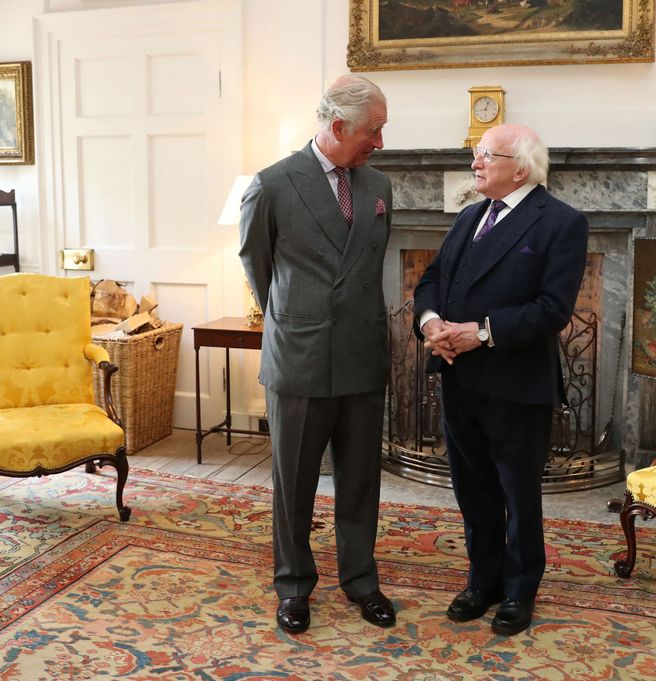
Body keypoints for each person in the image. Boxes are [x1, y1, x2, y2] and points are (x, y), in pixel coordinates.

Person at [413, 123, 588, 636]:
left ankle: (519, 590)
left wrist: (482, 333)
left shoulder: (560, 222)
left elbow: (552, 310)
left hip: (515, 384)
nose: (475, 164)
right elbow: (431, 280)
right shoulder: (469, 217)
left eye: (486, 155)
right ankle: (482, 581)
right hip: (457, 376)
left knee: (518, 494)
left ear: (522, 166)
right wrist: (432, 324)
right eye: (476, 155)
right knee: (473, 491)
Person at [239, 75, 395, 634]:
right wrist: (294, 316)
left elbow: (372, 268)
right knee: (294, 484)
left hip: (361, 356)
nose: (379, 142)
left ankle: (361, 581)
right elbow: (257, 267)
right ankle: (293, 586)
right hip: (299, 360)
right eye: (373, 131)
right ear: (337, 127)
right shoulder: (272, 184)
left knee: (360, 481)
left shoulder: (378, 186)